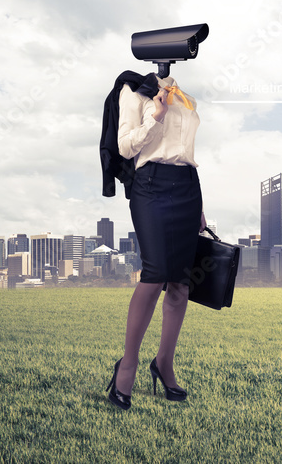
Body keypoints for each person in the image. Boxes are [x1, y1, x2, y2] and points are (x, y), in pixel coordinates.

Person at [105, 75, 204, 410]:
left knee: (181, 283)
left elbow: (185, 152)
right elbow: (125, 147)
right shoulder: (134, 93)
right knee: (155, 274)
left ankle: (164, 363)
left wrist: (200, 208)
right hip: (151, 186)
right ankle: (128, 365)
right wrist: (156, 116)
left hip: (188, 186)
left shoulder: (185, 97)